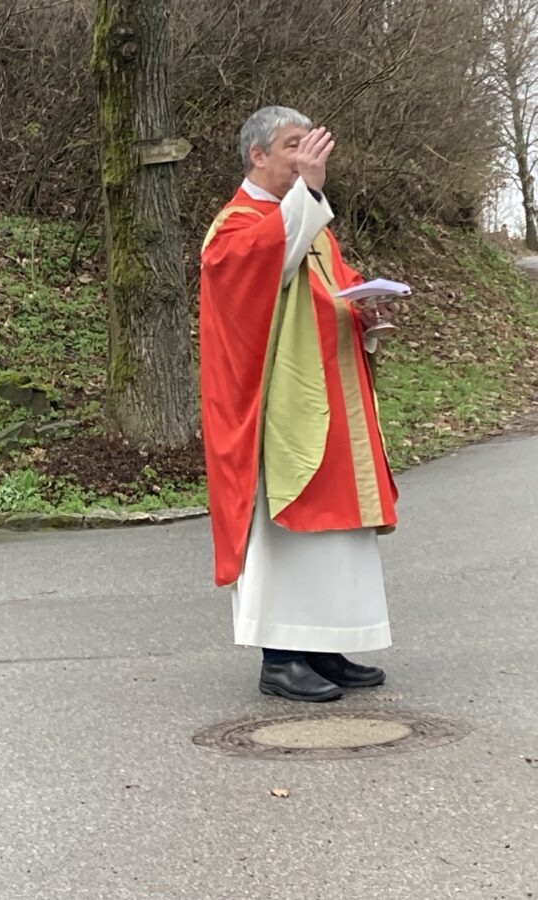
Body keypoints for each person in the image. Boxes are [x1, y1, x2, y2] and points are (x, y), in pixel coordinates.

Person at [198, 106, 400, 702]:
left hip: (332, 405)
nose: (308, 154)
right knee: (287, 527)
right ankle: (281, 658)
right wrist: (308, 192)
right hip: (278, 410)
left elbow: (331, 286)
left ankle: (321, 646)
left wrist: (367, 307)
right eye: (293, 145)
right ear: (257, 156)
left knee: (336, 535)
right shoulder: (236, 226)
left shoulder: (310, 222)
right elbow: (258, 273)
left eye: (310, 144)